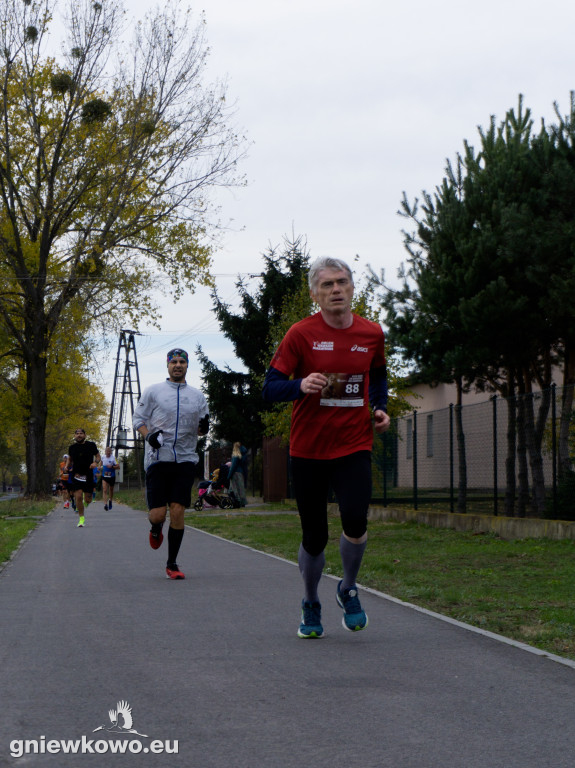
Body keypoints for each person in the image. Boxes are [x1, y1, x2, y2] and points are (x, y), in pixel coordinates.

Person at [263, 256, 391, 638]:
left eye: (342, 282)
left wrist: (380, 406)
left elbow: (377, 375)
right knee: (314, 536)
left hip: (353, 445)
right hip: (309, 450)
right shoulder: (300, 334)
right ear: (314, 294)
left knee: (355, 519)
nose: (336, 289)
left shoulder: (371, 333)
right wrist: (298, 385)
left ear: (352, 288)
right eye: (327, 285)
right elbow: (270, 387)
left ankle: (347, 587)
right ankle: (310, 601)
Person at [133, 348, 209, 579]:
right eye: (174, 362)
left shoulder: (198, 396)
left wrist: (204, 428)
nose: (178, 365)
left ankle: (172, 564)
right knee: (158, 514)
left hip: (185, 459)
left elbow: (201, 429)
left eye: (182, 362)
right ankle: (156, 529)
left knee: (177, 511)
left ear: (187, 366)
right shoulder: (154, 392)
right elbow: (138, 419)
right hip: (158, 459)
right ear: (167, 366)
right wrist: (149, 436)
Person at [65, 429, 101, 527]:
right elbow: (70, 458)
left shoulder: (91, 445)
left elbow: (98, 456)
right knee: (79, 496)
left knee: (88, 500)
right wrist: (67, 466)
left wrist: (95, 462)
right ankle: (81, 519)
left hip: (88, 474)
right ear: (74, 436)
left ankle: (86, 502)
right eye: (77, 434)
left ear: (85, 435)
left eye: (81, 434)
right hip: (77, 474)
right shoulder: (72, 447)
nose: (79, 435)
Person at [228, 442, 248, 507]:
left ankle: (237, 501)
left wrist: (229, 475)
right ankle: (243, 501)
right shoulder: (244, 454)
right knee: (241, 488)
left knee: (234, 488)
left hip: (235, 472)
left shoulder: (236, 455)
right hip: (241, 472)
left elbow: (233, 465)